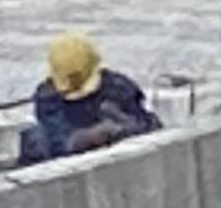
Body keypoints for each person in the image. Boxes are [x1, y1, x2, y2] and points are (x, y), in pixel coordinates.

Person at [15, 33, 157, 167]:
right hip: (67, 157)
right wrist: (86, 138)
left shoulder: (117, 88)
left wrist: (121, 127)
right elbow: (55, 138)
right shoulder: (49, 98)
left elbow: (149, 124)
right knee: (33, 138)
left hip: (119, 155)